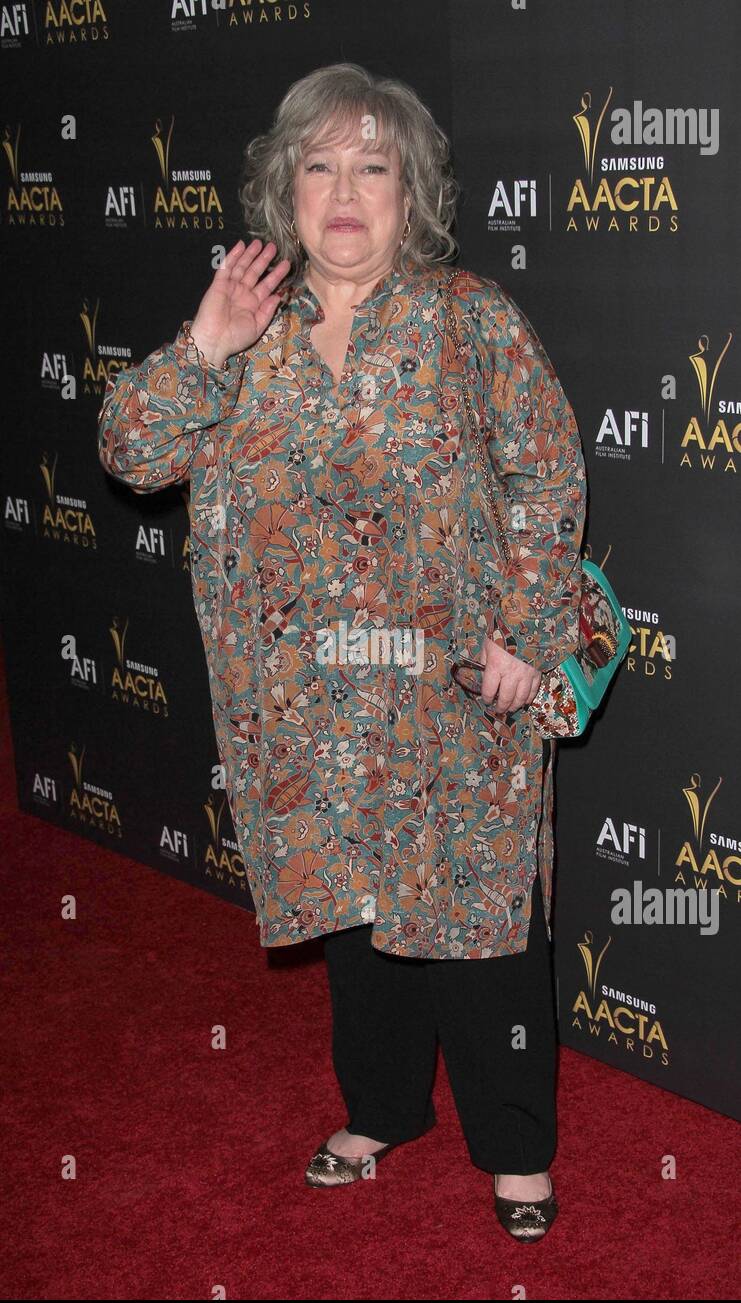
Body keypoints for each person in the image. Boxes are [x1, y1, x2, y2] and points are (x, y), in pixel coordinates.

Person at [97, 62, 587, 1242]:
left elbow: (548, 468)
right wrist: (203, 344)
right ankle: (382, 1110)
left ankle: (515, 1149)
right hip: (303, 712)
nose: (346, 189)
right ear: (285, 191)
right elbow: (129, 453)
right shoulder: (246, 334)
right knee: (358, 923)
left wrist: (527, 628)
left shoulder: (467, 316)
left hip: (455, 700)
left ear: (412, 191)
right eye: (319, 165)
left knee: (479, 932)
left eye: (374, 165)